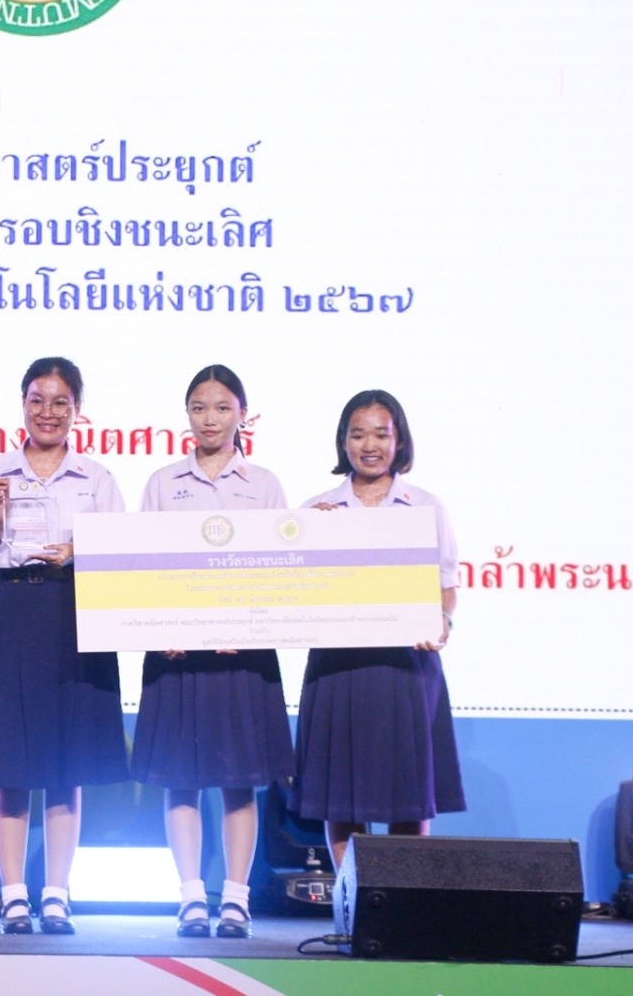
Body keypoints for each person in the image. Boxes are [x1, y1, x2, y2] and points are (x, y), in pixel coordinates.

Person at [0, 357, 129, 936]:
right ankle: (12, 896)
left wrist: (78, 551)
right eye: (37, 400)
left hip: (74, 612)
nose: (47, 412)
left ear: (77, 410)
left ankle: (56, 894)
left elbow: (120, 555)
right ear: (22, 404)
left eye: (60, 402)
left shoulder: (97, 479)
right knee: (9, 763)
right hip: (9, 609)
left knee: (66, 760)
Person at [130, 365, 294, 940]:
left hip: (240, 655)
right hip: (177, 655)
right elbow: (142, 565)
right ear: (187, 415)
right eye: (199, 407)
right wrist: (159, 626)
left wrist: (249, 625)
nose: (210, 418)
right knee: (180, 779)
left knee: (238, 781)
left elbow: (280, 570)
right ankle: (191, 897)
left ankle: (236, 900)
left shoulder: (264, 484)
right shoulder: (162, 482)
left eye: (222, 407)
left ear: (242, 415)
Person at [295, 389, 464, 869]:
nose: (369, 445)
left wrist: (442, 621)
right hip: (337, 667)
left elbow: (446, 584)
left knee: (407, 793)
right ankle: (351, 898)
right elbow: (295, 590)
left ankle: (402, 896)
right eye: (358, 434)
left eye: (381, 434)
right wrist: (304, 535)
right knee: (339, 794)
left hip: (406, 665)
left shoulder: (424, 505)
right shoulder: (315, 509)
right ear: (343, 442)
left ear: (399, 440)